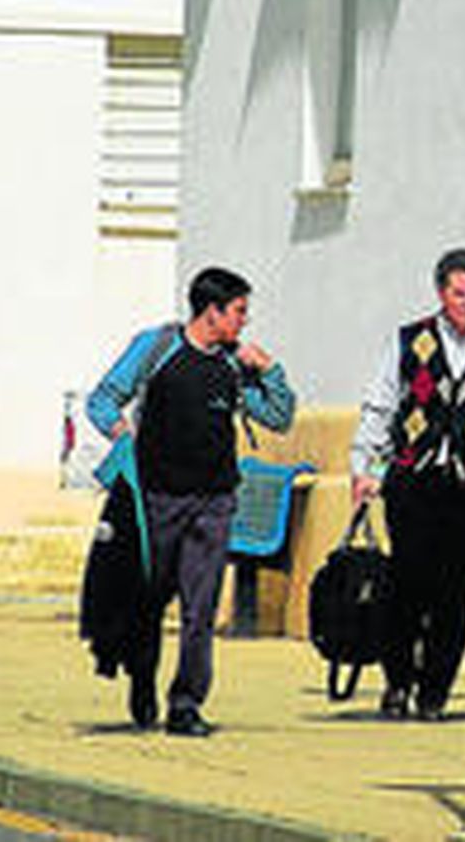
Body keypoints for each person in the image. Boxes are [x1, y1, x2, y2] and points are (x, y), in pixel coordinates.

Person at [86, 267, 295, 737]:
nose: (244, 321)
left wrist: (270, 370)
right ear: (212, 312)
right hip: (157, 500)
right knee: (149, 600)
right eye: (239, 312)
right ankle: (142, 678)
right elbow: (103, 400)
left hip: (215, 501)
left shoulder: (232, 366)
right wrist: (124, 438)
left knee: (200, 609)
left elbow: (279, 416)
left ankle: (185, 704)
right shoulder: (158, 348)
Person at [350, 248, 465, 722]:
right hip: (414, 480)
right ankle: (397, 682)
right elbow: (381, 405)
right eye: (460, 294)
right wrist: (363, 466)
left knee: (456, 595)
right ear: (441, 292)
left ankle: (435, 691)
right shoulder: (408, 341)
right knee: (408, 586)